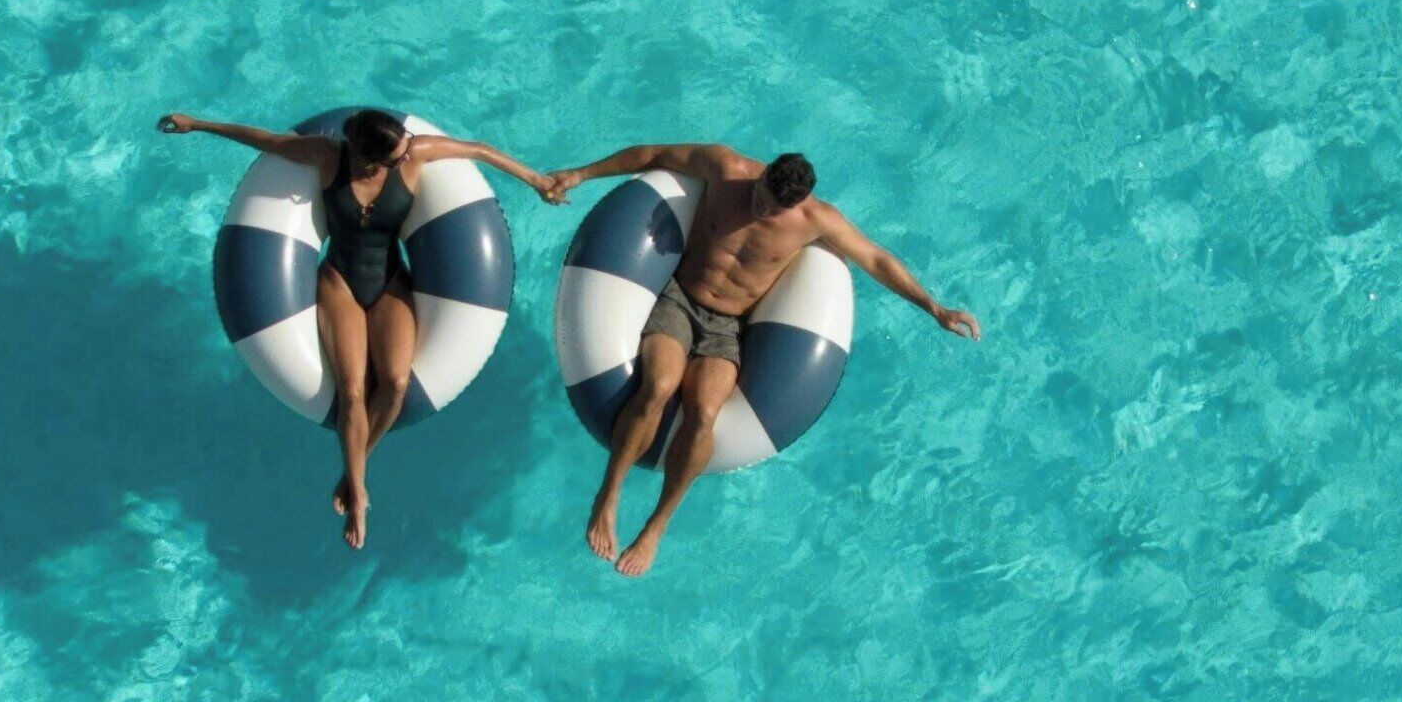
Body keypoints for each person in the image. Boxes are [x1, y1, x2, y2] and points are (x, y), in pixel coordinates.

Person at [542, 140, 980, 574]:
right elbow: (649, 155)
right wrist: (580, 173)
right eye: (761, 199)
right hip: (678, 300)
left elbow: (877, 259)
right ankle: (609, 495)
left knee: (706, 411)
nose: (762, 212)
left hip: (726, 328)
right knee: (658, 385)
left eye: (774, 210)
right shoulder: (724, 167)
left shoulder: (815, 220)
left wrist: (934, 308)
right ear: (764, 172)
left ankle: (656, 526)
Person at [161, 108, 557, 547]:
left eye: (406, 147)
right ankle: (361, 494)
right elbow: (263, 138)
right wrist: (197, 124)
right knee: (350, 388)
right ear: (371, 159)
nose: (406, 156)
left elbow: (478, 150)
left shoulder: (415, 154)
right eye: (395, 155)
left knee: (396, 382)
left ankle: (355, 470)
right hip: (339, 284)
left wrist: (537, 181)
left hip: (390, 283)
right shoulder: (328, 157)